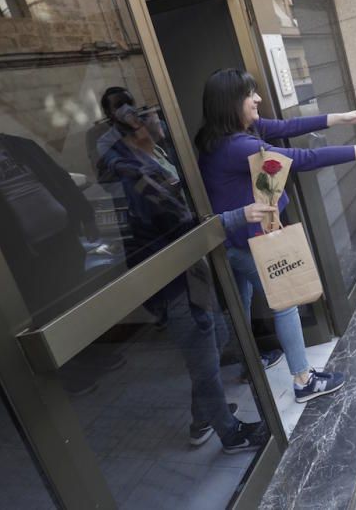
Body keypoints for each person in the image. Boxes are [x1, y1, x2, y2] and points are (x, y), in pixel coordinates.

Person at [196, 68, 356, 403]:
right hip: (249, 242)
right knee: (286, 302)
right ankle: (303, 380)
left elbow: (284, 127)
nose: (257, 99)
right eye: (249, 95)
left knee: (240, 307)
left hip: (231, 241)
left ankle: (246, 364)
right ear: (230, 103)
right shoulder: (239, 147)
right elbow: (300, 159)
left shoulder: (217, 136)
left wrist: (338, 118)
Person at [97, 87, 273, 453]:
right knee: (203, 353)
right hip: (170, 275)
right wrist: (238, 215)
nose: (158, 120)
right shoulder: (134, 172)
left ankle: (205, 415)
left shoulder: (159, 153)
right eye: (149, 115)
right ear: (133, 125)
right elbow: (182, 221)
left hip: (189, 267)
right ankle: (228, 432)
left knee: (217, 336)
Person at [0, 90, 97, 316]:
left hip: (65, 237)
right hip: (26, 254)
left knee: (80, 294)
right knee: (50, 307)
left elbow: (61, 179)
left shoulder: (21, 146)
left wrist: (87, 216)